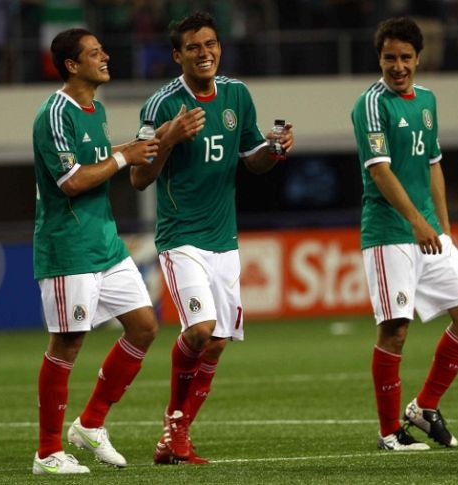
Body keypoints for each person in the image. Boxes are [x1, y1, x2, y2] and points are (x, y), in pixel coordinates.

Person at [130, 11, 295, 465]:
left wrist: (273, 150)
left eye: (211, 45)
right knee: (200, 331)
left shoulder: (237, 95)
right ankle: (174, 428)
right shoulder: (161, 106)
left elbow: (252, 159)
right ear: (177, 55)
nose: (205, 53)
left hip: (224, 238)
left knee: (218, 341)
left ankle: (173, 440)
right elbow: (139, 179)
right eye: (194, 47)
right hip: (181, 236)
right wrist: (169, 138)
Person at [30, 28, 162, 474]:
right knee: (67, 344)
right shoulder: (55, 113)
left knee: (144, 327)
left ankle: (89, 424)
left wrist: (139, 146)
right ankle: (47, 452)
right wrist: (126, 157)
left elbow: (101, 158)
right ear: (71, 64)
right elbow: (73, 181)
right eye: (93, 52)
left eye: (103, 49)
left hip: (105, 243)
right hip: (67, 247)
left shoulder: (96, 109)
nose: (105, 56)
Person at [350, 17, 458, 452]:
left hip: (427, 230)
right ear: (380, 59)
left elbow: (433, 164)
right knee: (395, 331)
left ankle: (425, 407)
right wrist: (417, 222)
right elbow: (380, 170)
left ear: (418, 59)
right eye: (390, 57)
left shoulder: (427, 100)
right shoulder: (370, 105)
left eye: (406, 57)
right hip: (390, 232)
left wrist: (444, 229)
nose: (398, 65)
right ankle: (389, 431)